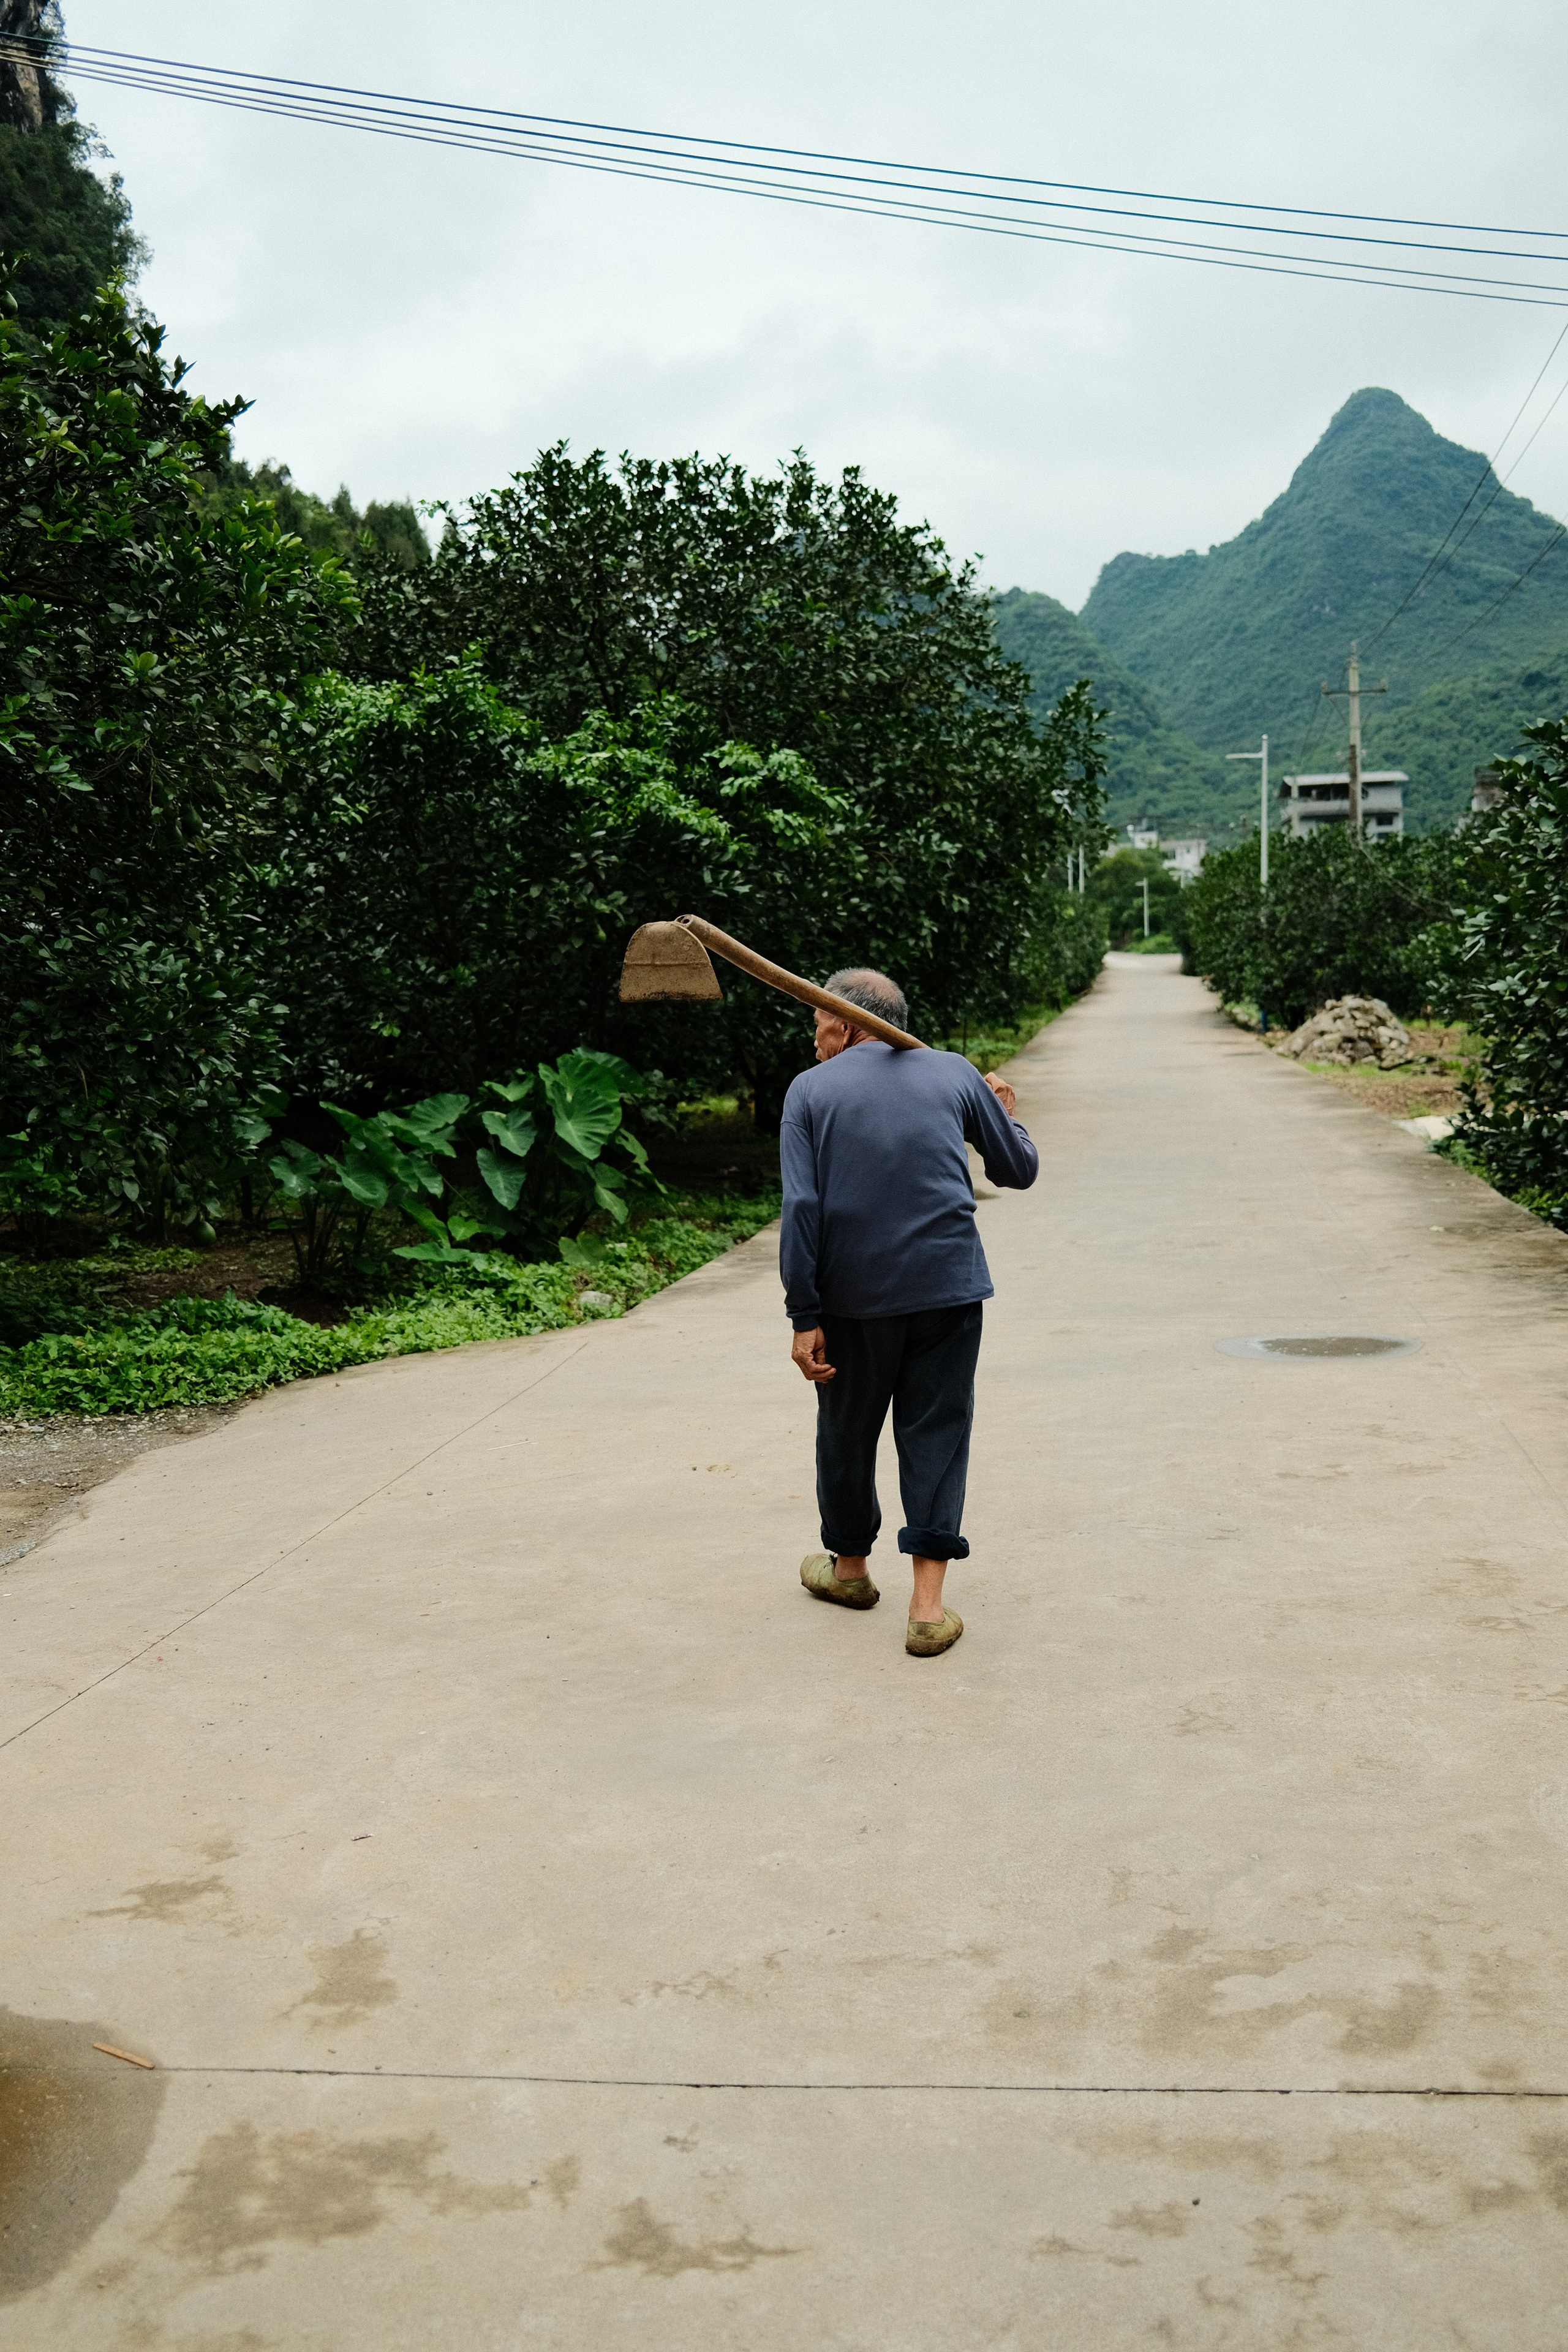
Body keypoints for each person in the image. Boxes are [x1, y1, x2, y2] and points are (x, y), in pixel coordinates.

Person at [780, 968, 1038, 1657]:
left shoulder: (810, 1092)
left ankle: (850, 1572)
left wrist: (804, 1314)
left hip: (852, 1298)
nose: (814, 1043)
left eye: (817, 1027)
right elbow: (1017, 1169)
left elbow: (801, 1208)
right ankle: (927, 1609)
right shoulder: (954, 1074)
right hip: (947, 1289)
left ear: (843, 1024)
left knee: (846, 1429)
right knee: (937, 1431)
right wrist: (1004, 1114)